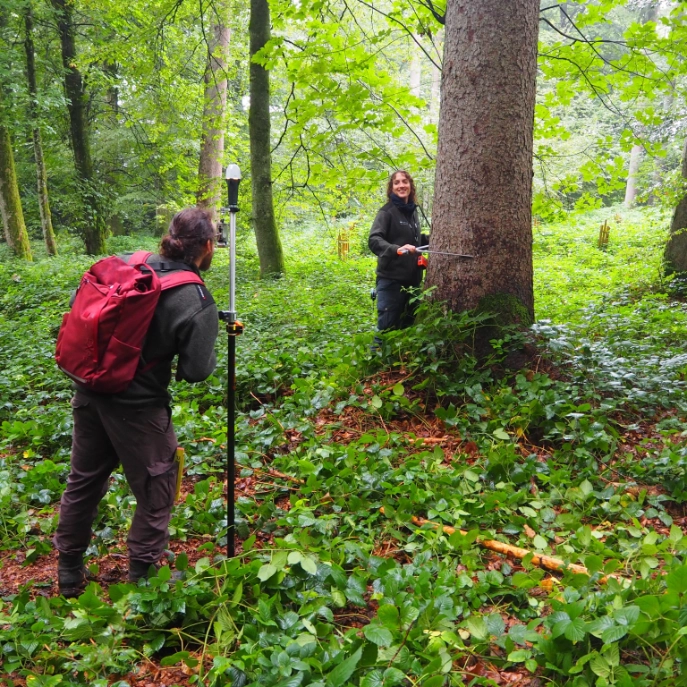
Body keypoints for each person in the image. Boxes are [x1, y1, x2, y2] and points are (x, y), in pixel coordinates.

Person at [54, 207, 219, 597]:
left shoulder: (128, 263)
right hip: (140, 409)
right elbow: (197, 371)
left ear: (170, 236)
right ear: (207, 247)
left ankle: (68, 572)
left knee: (84, 480)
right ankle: (142, 581)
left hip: (90, 393)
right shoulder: (194, 297)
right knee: (158, 487)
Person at [368, 170, 428, 334]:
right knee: (387, 329)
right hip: (391, 281)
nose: (401, 185)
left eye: (405, 181)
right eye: (397, 182)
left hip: (413, 282)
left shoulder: (412, 211)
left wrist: (430, 240)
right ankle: (377, 359)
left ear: (410, 185)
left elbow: (412, 240)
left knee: (407, 328)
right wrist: (396, 250)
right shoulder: (387, 212)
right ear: (391, 188)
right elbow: (374, 240)